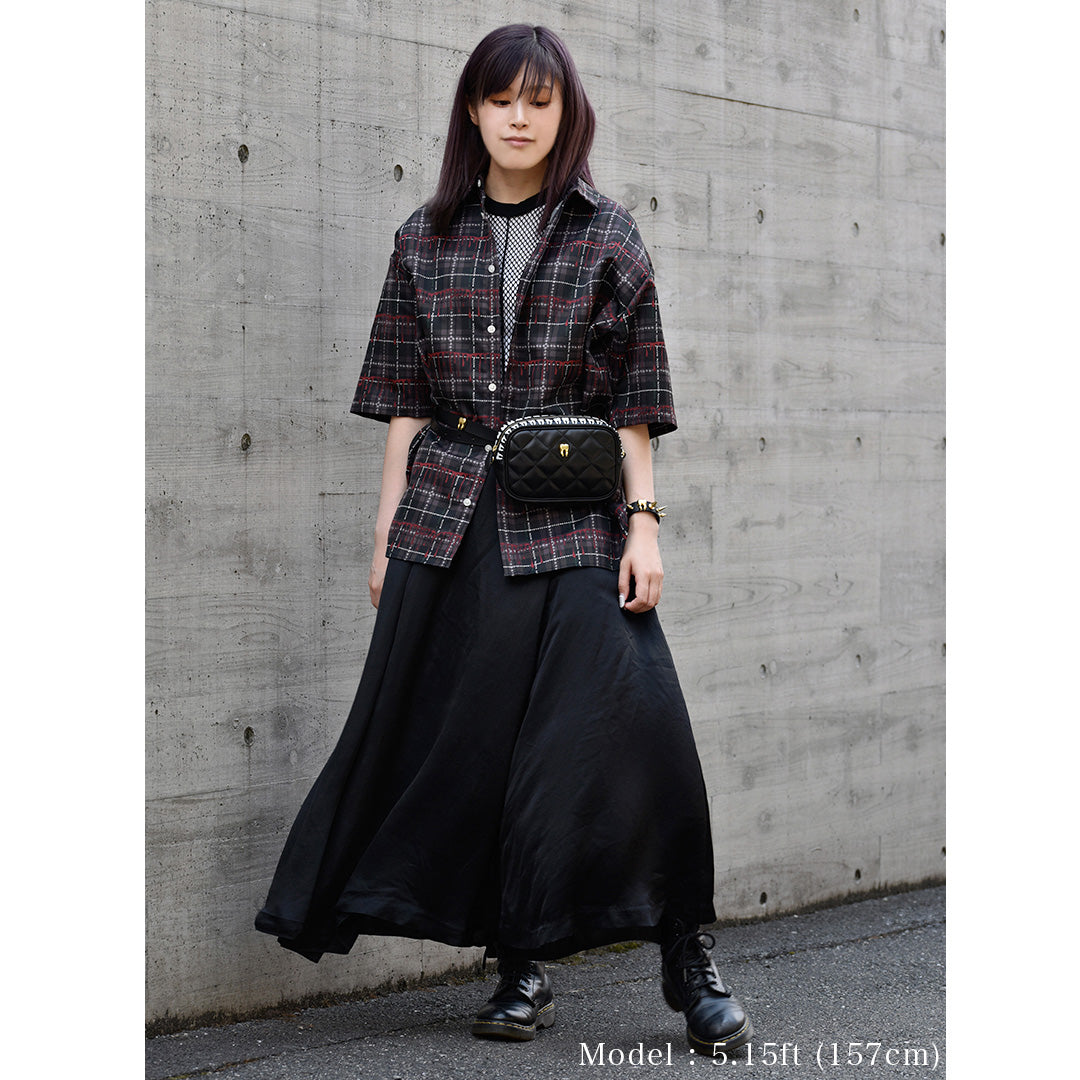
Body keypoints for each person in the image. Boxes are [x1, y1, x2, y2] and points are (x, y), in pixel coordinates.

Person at [255, 23, 753, 1057]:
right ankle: (520, 963)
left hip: (572, 517)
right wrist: (386, 530)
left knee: (637, 731)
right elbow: (403, 400)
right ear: (472, 112)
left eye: (539, 100)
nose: (519, 118)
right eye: (500, 99)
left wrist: (645, 525)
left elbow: (635, 404)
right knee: (481, 748)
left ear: (567, 114)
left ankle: (685, 950)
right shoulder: (423, 238)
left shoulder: (609, 237)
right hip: (450, 519)